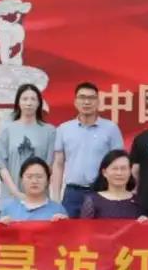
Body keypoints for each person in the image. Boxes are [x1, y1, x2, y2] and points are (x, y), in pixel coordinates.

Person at [51, 82, 125, 218]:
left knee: (102, 230)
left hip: (101, 192)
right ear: (75, 102)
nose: (86, 102)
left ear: (98, 102)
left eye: (91, 98)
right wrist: (55, 198)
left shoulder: (111, 129)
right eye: (82, 97)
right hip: (72, 193)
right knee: (68, 230)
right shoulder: (63, 129)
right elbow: (58, 164)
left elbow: (119, 163)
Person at [0, 84, 56, 208]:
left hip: (39, 198)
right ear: (18, 103)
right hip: (11, 197)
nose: (29, 103)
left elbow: (50, 166)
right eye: (24, 99)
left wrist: (36, 193)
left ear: (39, 103)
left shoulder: (50, 131)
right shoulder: (7, 129)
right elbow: (1, 165)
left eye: (33, 99)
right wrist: (16, 193)